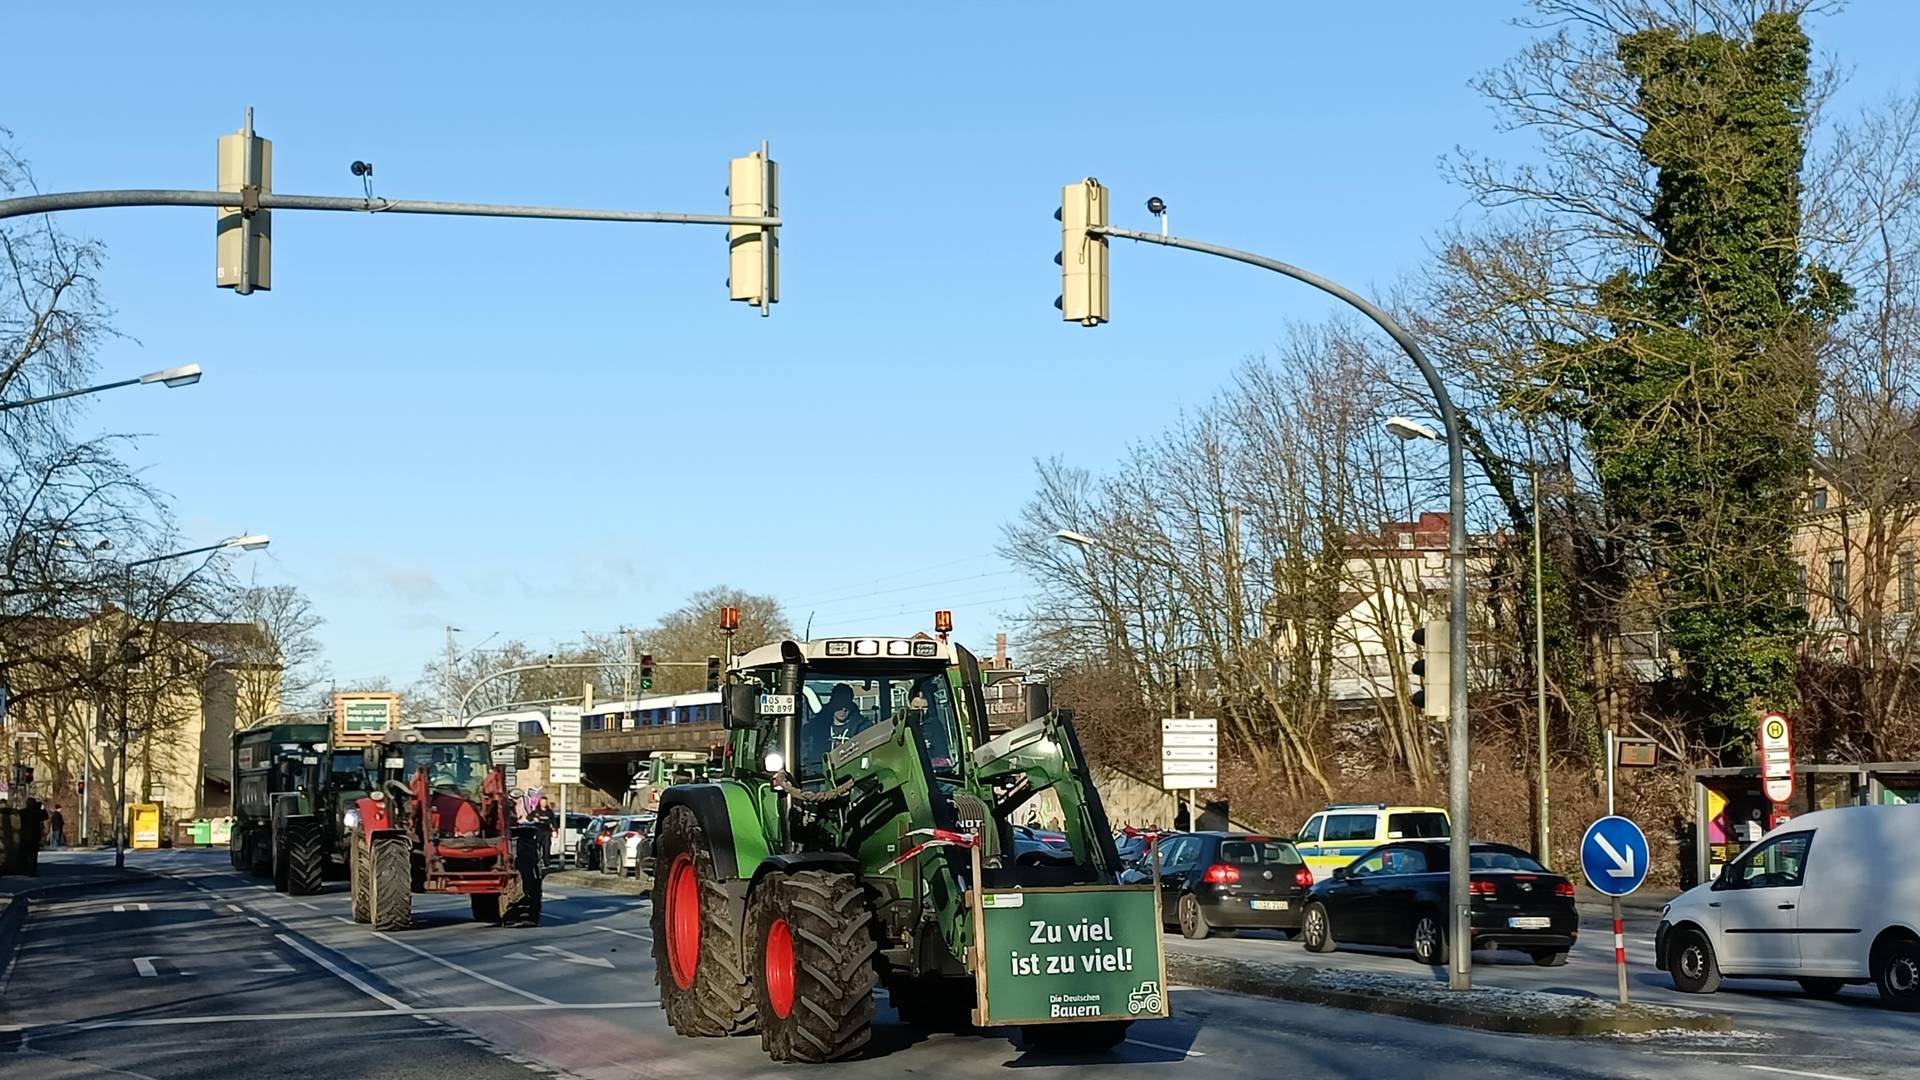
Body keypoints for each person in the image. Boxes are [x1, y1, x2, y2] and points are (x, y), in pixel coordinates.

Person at [20, 798, 47, 876]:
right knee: (33, 855)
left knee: (25, 854)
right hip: (35, 836)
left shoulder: (23, 812)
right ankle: (32, 871)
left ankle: (25, 870)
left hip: (24, 836)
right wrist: (42, 808)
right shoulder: (37, 813)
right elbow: (45, 816)